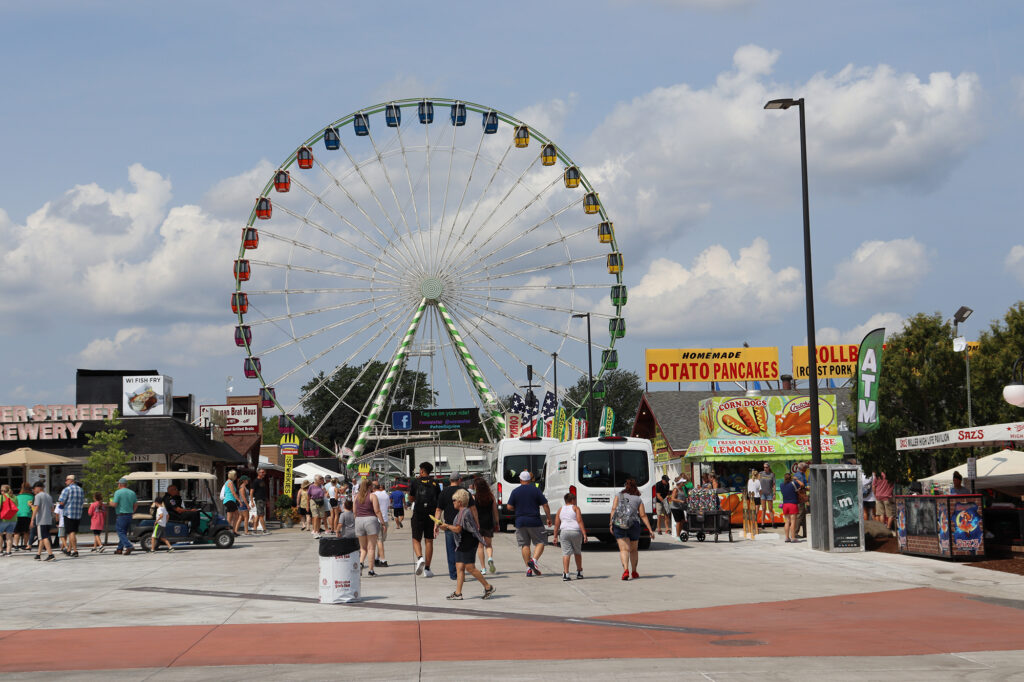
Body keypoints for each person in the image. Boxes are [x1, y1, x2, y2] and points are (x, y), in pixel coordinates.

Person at [437, 489, 495, 601]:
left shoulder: (463, 512)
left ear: (460, 501)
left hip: (467, 542)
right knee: (459, 567)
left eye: (454, 500)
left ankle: (488, 587)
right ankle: (458, 593)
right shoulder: (462, 512)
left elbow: (458, 529)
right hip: (463, 542)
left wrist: (447, 526)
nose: (453, 502)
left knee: (470, 568)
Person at [506, 470, 551, 577]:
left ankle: (528, 569)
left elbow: (509, 507)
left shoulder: (515, 491)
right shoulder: (536, 490)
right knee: (541, 541)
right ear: (530, 480)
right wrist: (549, 518)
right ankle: (534, 561)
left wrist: (517, 508)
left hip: (520, 521)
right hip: (534, 520)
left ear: (520, 479)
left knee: (525, 545)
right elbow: (545, 504)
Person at [610, 477, 655, 580]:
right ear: (636, 487)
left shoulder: (619, 495)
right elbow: (643, 515)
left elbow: (613, 509)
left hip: (619, 523)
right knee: (633, 550)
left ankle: (626, 570)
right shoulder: (638, 499)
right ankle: (634, 571)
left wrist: (611, 524)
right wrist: (650, 530)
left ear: (626, 486)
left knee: (623, 549)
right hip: (634, 525)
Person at [435, 472, 477, 581]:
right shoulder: (464, 492)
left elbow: (439, 510)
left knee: (451, 551)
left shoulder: (444, 492)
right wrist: (477, 523)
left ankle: (454, 575)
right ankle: (461, 573)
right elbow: (473, 509)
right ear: (459, 480)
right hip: (464, 526)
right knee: (462, 550)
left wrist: (436, 524)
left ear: (450, 480)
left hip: (449, 526)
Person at [409, 462, 440, 578]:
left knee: (416, 538)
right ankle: (427, 568)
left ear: (422, 471)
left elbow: (411, 498)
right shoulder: (435, 483)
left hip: (418, 513)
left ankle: (419, 557)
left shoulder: (415, 482)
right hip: (431, 514)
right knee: (429, 540)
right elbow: (438, 499)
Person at [354, 479, 385, 576]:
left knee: (363, 548)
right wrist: (383, 523)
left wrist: (357, 520)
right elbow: (377, 511)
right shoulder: (372, 496)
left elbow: (354, 511)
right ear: (369, 487)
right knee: (371, 547)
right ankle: (371, 570)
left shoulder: (356, 497)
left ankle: (360, 563)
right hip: (370, 520)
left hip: (359, 520)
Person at [553, 492, 586, 581]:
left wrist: (555, 536)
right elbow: (579, 521)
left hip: (564, 532)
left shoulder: (560, 509)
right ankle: (579, 572)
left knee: (566, 553)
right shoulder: (575, 508)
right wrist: (584, 534)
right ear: (572, 500)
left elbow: (556, 524)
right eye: (575, 499)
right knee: (577, 552)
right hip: (575, 532)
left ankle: (566, 573)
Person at [473, 477, 499, 574]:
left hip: (478, 524)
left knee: (480, 547)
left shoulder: (474, 497)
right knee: (488, 545)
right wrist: (497, 522)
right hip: (488, 522)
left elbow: (473, 511)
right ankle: (490, 558)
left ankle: (483, 568)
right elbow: (495, 511)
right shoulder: (491, 497)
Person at [57, 474, 84, 557]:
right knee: (73, 532)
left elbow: (61, 502)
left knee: (71, 532)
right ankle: (69, 550)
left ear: (71, 480)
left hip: (69, 513)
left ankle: (75, 551)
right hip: (78, 514)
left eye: (67, 480)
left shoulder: (67, 489)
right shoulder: (80, 490)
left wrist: (61, 506)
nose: (65, 482)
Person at [111, 477, 137, 555]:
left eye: (118, 484)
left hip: (121, 515)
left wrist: (109, 503)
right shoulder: (132, 493)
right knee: (124, 532)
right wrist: (132, 512)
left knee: (120, 532)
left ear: (120, 484)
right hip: (129, 515)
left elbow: (115, 504)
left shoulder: (118, 492)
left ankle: (129, 546)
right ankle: (119, 549)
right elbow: (135, 505)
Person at [31, 480, 56, 561]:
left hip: (41, 520)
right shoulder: (49, 496)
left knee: (44, 537)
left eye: (34, 489)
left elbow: (36, 508)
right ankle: (38, 554)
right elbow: (52, 509)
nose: (34, 491)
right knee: (41, 537)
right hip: (48, 519)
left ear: (38, 488)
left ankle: (50, 554)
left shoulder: (38, 496)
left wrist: (32, 520)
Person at [373, 481, 391, 568]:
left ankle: (383, 560)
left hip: (376, 519)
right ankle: (377, 558)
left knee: (379, 541)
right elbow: (388, 506)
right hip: (385, 519)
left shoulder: (373, 495)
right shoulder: (386, 495)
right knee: (381, 541)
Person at [780, 472, 803, 542]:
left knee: (787, 521)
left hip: (785, 504)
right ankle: (793, 538)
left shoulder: (781, 485)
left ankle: (787, 537)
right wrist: (796, 479)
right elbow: (802, 485)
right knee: (793, 522)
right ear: (791, 478)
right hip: (792, 504)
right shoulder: (793, 484)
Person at [669, 474, 691, 539]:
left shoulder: (681, 489)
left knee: (683, 521)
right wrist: (680, 501)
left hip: (680, 507)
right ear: (680, 483)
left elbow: (682, 497)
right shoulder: (676, 489)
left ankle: (679, 533)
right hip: (675, 508)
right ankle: (678, 536)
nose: (684, 483)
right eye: (683, 482)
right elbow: (672, 498)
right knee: (678, 521)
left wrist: (686, 499)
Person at [14, 482, 34, 551]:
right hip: (27, 515)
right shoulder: (32, 497)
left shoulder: (17, 497)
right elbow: (33, 507)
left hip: (18, 514)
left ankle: (16, 545)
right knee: (26, 531)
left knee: (17, 531)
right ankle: (25, 545)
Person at [0, 484, 18, 556]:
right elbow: (16, 506)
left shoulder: (1, 497)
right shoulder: (15, 497)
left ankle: (0, 550)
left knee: (0, 535)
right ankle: (8, 552)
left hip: (3, 519)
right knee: (9, 535)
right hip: (13, 519)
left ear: (2, 491)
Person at [251, 468, 270, 535]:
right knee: (261, 515)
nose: (263, 473)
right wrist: (252, 501)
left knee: (259, 515)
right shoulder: (256, 481)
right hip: (259, 500)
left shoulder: (262, 481)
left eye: (264, 472)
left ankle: (254, 530)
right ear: (258, 473)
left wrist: (267, 500)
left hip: (263, 499)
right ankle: (264, 530)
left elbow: (264, 492)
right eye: (262, 472)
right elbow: (251, 491)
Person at [794, 462, 810, 540]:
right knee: (800, 515)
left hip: (803, 497)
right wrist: (805, 499)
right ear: (802, 468)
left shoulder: (802, 474)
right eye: (806, 467)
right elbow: (801, 488)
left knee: (804, 515)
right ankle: (795, 533)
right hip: (800, 498)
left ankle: (805, 533)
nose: (807, 468)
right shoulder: (799, 476)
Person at [222, 470, 240, 534]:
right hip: (230, 500)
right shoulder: (230, 482)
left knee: (235, 515)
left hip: (230, 501)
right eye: (235, 475)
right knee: (230, 516)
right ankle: (228, 531)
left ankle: (233, 530)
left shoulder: (229, 482)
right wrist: (239, 501)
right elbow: (233, 493)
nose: (236, 477)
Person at [760, 462, 776, 528]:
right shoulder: (760, 474)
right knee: (763, 509)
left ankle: (773, 524)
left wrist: (774, 493)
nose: (765, 468)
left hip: (769, 493)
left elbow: (774, 485)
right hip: (762, 493)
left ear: (769, 467)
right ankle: (762, 524)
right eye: (764, 467)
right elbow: (756, 481)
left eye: (766, 467)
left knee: (770, 509)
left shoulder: (772, 475)